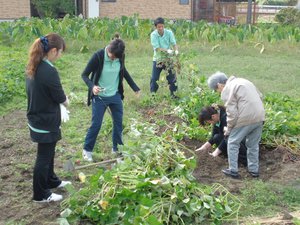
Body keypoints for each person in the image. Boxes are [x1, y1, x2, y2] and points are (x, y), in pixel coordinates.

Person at [26, 33, 71, 203]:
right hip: (45, 121)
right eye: (60, 52)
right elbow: (60, 97)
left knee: (49, 152)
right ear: (53, 51)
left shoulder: (34, 65)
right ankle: (40, 194)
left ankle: (51, 180)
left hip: (37, 117)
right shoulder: (49, 71)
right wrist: (67, 102)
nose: (60, 55)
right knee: (43, 157)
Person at [81, 36, 140, 162]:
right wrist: (92, 87)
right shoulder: (98, 56)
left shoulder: (120, 56)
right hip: (100, 97)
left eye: (116, 58)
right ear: (109, 50)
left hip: (115, 95)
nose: (114, 59)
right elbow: (84, 75)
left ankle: (117, 149)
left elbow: (123, 71)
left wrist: (135, 87)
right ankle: (87, 150)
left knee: (118, 123)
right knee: (96, 124)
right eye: (112, 56)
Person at [207, 72, 265, 179]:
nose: (218, 92)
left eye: (216, 90)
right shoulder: (244, 81)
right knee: (252, 145)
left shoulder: (227, 89)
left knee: (232, 142)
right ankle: (254, 171)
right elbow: (260, 96)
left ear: (219, 85)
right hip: (260, 116)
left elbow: (232, 113)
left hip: (246, 117)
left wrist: (228, 130)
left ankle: (233, 170)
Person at [150, 17, 179, 98]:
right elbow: (157, 48)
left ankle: (174, 95)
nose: (161, 28)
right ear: (156, 27)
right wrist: (168, 51)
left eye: (162, 26)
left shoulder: (169, 33)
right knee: (154, 78)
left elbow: (174, 44)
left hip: (168, 59)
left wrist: (176, 51)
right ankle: (153, 95)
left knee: (172, 78)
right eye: (159, 27)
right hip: (158, 59)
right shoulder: (153, 35)